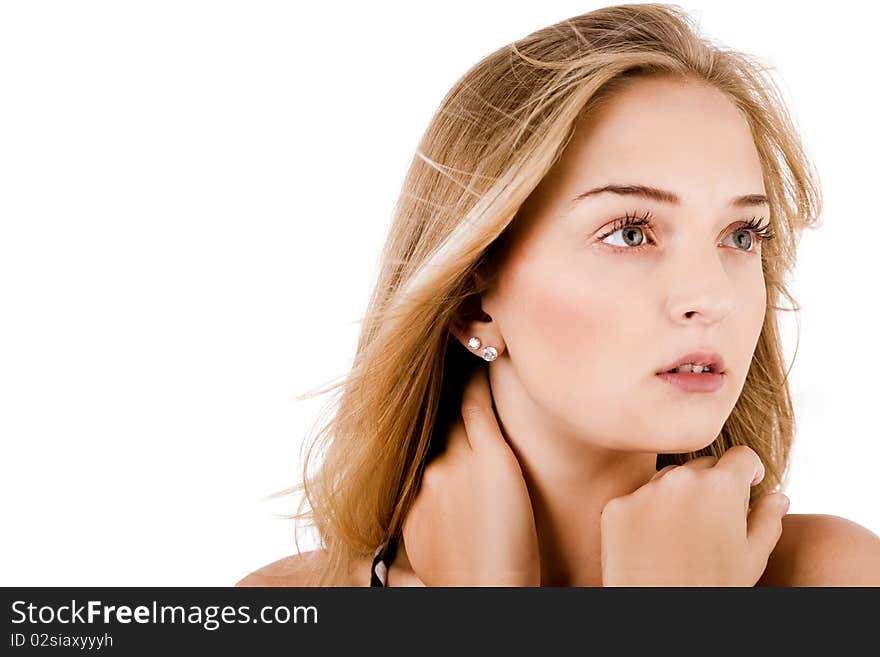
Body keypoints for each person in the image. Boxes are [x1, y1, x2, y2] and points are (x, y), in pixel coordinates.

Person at [237, 3, 880, 587]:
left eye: (741, 235)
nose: (713, 297)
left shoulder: (833, 578)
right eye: (631, 233)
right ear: (472, 302)